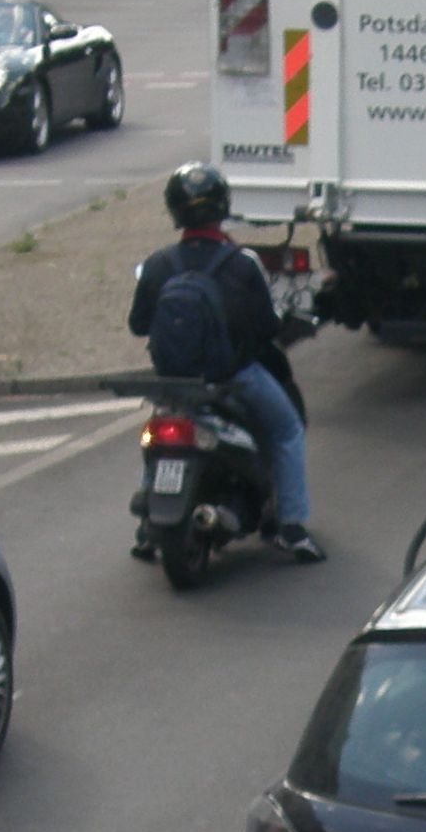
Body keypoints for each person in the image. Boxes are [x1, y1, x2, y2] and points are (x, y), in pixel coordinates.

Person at [128, 164, 325, 563]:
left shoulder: (157, 263)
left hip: (175, 382)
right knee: (287, 429)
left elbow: (138, 325)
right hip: (233, 377)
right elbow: (267, 326)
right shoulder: (242, 263)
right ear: (224, 207)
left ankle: (147, 528)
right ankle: (291, 526)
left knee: (156, 435)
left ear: (174, 210)